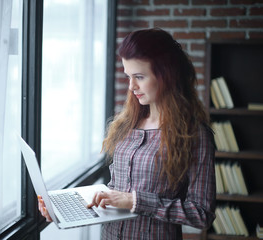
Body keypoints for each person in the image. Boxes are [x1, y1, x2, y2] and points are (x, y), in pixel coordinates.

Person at [38, 28, 216, 240]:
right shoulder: (127, 124)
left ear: (167, 75)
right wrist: (62, 212)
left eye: (139, 76)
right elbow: (118, 191)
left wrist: (135, 201)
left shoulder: (194, 134)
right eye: (128, 76)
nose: (131, 86)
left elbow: (201, 214)